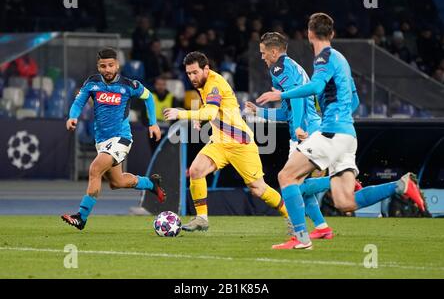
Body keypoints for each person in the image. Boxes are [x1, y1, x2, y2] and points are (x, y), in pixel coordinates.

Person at [256, 13, 427, 250]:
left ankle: (301, 238)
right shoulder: (341, 59)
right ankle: (400, 186)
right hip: (348, 135)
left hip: (332, 132)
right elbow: (354, 99)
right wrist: (339, 118)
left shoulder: (323, 58)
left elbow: (315, 87)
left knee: (286, 177)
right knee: (345, 202)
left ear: (309, 33)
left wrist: (280, 95)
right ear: (333, 34)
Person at [245, 32, 362, 240]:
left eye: (263, 53)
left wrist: (298, 127)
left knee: (292, 182)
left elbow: (297, 102)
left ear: (274, 52)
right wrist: (259, 112)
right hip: (308, 127)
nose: (262, 57)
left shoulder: (279, 67)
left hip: (306, 130)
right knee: (299, 185)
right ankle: (322, 227)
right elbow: (286, 112)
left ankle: (340, 182)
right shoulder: (291, 67)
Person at [164, 51, 289, 232]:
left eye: (195, 72)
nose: (192, 77)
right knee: (196, 171)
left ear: (206, 69)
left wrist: (181, 113)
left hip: (240, 143)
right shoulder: (203, 83)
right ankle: (202, 218)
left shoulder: (214, 84)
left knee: (257, 188)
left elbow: (211, 112)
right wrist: (201, 117)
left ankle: (291, 216)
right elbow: (211, 109)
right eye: (189, 73)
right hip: (219, 142)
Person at [61, 48, 166, 230]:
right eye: (103, 66)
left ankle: (81, 217)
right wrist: (73, 116)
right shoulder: (92, 83)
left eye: (110, 65)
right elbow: (79, 102)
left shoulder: (128, 85)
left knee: (94, 170)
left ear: (117, 65)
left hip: (121, 138)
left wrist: (153, 123)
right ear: (98, 67)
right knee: (117, 182)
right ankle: (151, 184)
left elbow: (149, 97)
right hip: (102, 141)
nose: (107, 69)